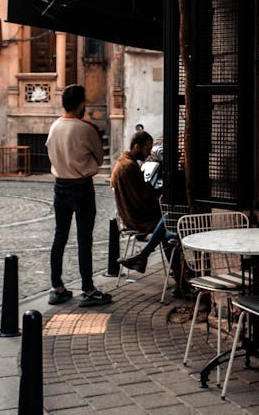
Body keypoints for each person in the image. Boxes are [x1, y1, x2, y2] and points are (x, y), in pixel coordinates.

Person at [46, 84, 112, 308]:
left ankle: (57, 287)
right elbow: (100, 159)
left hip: (60, 186)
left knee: (60, 236)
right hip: (82, 187)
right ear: (81, 104)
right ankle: (88, 289)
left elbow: (50, 153)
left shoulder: (54, 126)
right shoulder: (85, 129)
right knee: (84, 238)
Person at [110, 130, 178, 277]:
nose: (148, 154)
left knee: (167, 229)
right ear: (136, 147)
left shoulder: (123, 162)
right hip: (136, 218)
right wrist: (158, 196)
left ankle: (144, 258)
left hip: (130, 214)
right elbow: (142, 199)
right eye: (147, 149)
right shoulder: (129, 167)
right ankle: (179, 275)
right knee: (168, 222)